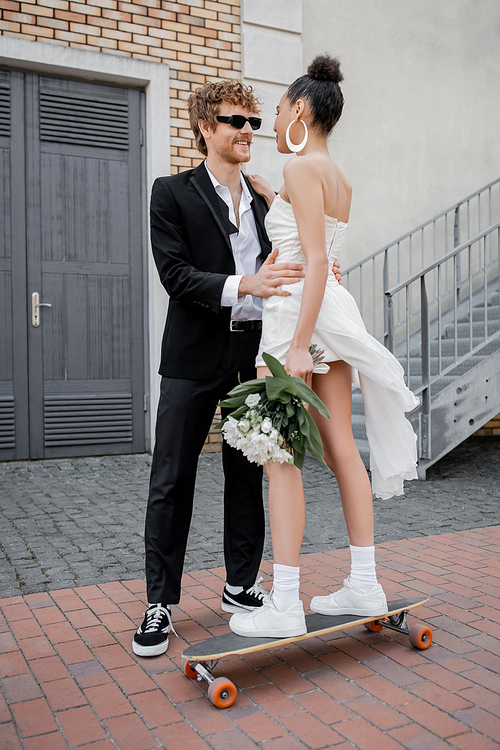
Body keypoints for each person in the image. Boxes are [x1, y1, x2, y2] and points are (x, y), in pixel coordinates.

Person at [132, 78, 341, 657]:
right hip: (192, 356)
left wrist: (327, 276)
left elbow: (303, 256)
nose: (249, 131)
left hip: (252, 351)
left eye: (254, 122)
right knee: (172, 477)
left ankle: (240, 585)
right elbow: (174, 276)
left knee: (249, 472)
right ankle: (158, 603)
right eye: (235, 121)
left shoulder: (266, 197)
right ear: (206, 127)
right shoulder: (169, 192)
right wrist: (243, 283)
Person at [229, 55, 419, 639]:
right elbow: (323, 252)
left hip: (299, 317)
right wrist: (273, 196)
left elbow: (312, 260)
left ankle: (284, 600)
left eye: (281, 107)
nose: (276, 116)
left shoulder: (300, 172)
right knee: (340, 447)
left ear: (301, 110)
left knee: (282, 457)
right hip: (331, 306)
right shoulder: (334, 177)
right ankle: (365, 582)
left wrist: (299, 345)